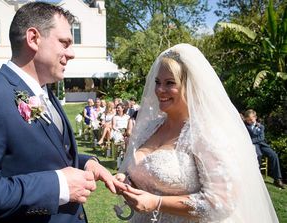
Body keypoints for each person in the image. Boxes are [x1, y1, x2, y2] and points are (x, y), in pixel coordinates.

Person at [0, 2, 122, 223]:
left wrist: (86, 162)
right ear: (33, 38)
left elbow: (40, 156)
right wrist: (57, 186)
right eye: (64, 43)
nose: (72, 53)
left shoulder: (45, 92)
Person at [115, 44, 279, 222]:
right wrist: (129, 181)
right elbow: (147, 174)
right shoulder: (151, 127)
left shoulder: (206, 134)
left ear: (190, 86)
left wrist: (158, 202)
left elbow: (221, 203)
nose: (159, 90)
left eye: (170, 83)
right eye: (157, 82)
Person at [244, 109, 284, 189]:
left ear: (255, 117)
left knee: (274, 155)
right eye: (248, 120)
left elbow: (261, 138)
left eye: (251, 120)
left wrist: (251, 141)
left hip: (262, 144)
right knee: (258, 155)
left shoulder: (261, 126)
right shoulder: (245, 126)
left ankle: (277, 179)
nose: (250, 122)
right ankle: (257, 177)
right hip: (253, 146)